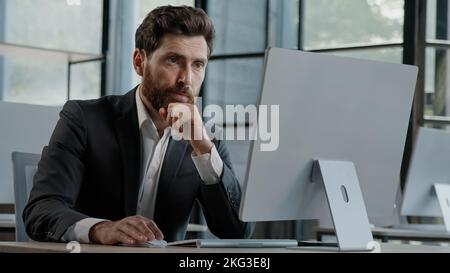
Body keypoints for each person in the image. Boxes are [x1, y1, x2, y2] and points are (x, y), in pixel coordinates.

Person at [23, 5, 253, 245]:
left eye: (198, 65)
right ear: (139, 62)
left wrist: (204, 150)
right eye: (173, 60)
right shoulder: (84, 119)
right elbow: (41, 210)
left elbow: (237, 231)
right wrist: (101, 229)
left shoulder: (206, 138)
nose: (186, 79)